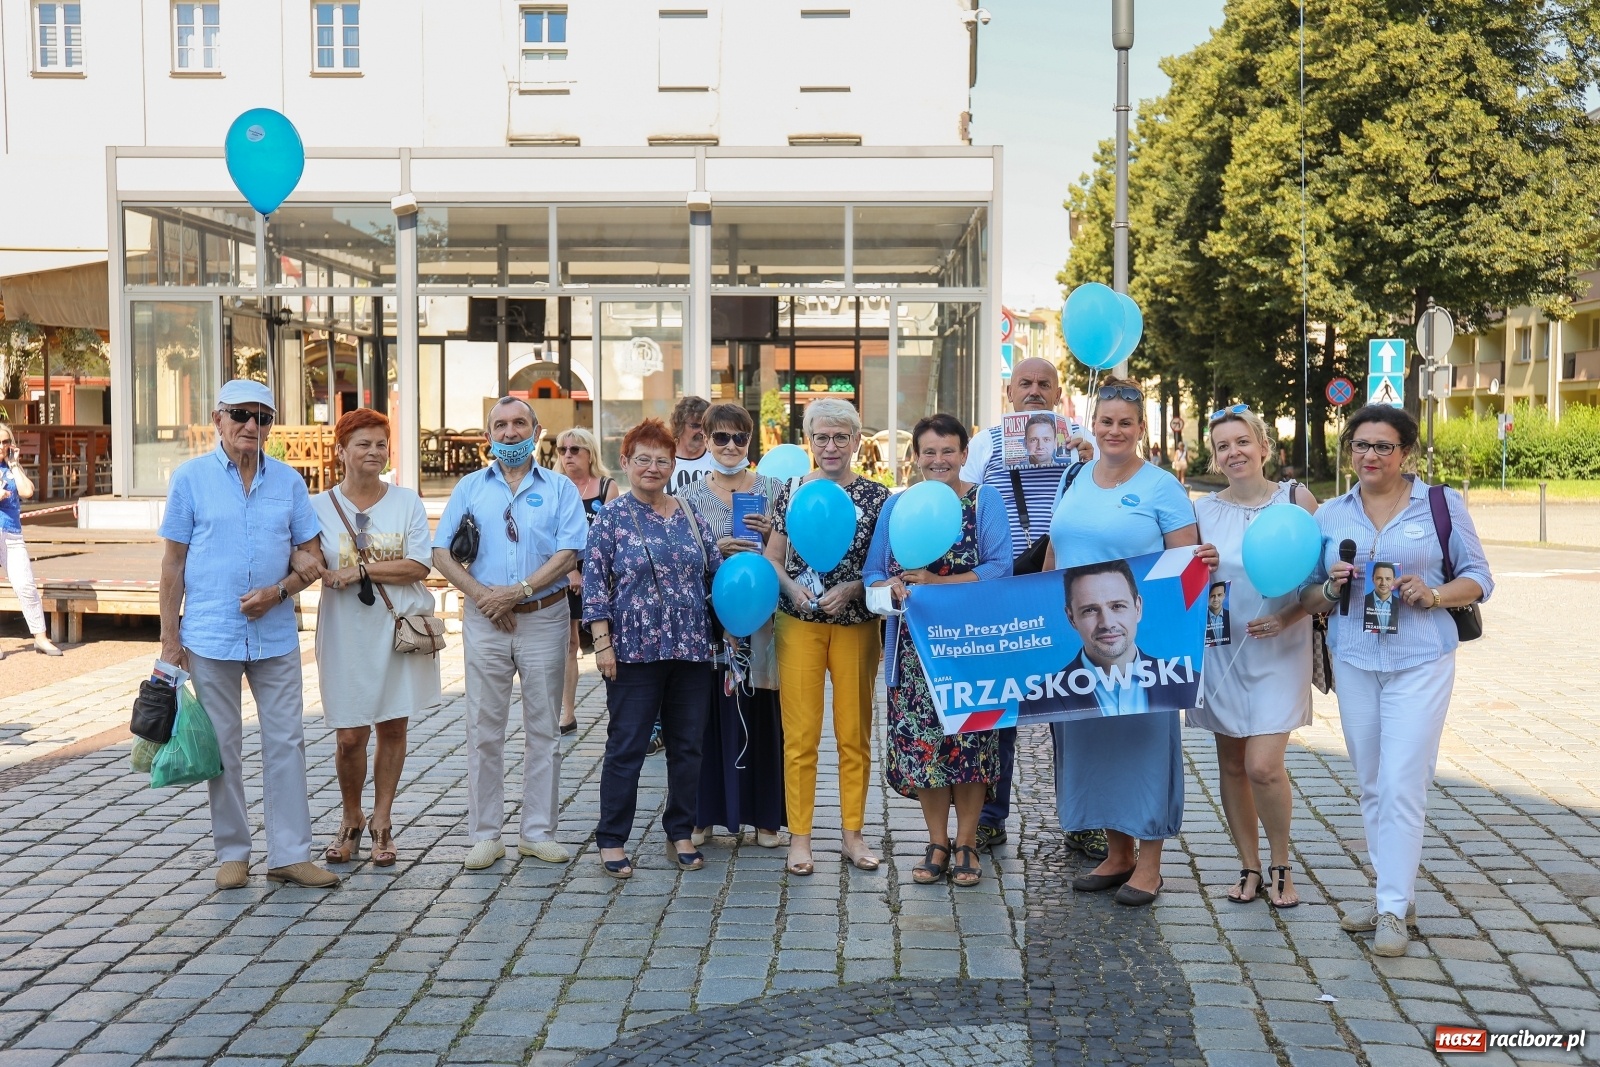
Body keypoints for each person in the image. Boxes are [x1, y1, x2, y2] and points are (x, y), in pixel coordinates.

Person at [1298, 404, 1492, 956]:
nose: (1370, 456)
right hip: (1355, 658)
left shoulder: (1439, 505)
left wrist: (1432, 594)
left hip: (1421, 658)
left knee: (1404, 781)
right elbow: (1308, 594)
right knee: (1371, 781)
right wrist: (1333, 588)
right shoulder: (1331, 516)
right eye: (1361, 445)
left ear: (1406, 452)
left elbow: (1479, 578)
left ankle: (1389, 912)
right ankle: (1395, 893)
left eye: (1383, 446)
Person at [157, 379, 335, 890]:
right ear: (218, 419)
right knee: (224, 747)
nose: (252, 426)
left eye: (263, 417)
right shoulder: (190, 479)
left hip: (276, 633)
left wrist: (279, 591)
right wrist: (171, 642)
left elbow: (312, 556)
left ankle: (290, 854)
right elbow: (173, 564)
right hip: (210, 634)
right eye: (241, 414)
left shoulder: (289, 483)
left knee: (287, 741)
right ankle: (232, 851)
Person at [1042, 378, 1207, 907]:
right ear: (1094, 423)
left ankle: (1151, 866)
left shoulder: (1162, 487)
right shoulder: (1074, 475)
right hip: (1081, 644)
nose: (1114, 431)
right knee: (1091, 746)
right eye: (1106, 421)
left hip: (1142, 647)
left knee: (1143, 749)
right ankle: (1117, 854)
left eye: (1125, 423)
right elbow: (1054, 553)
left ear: (1140, 429)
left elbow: (1186, 570)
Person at [432, 397, 587, 871]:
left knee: (544, 728)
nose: (511, 432)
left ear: (537, 431)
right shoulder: (469, 488)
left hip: (543, 616)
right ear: (488, 438)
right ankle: (486, 835)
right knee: (483, 729)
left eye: (520, 423)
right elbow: (440, 553)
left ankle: (537, 832)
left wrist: (516, 592)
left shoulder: (560, 488)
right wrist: (484, 597)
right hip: (485, 619)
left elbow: (569, 553)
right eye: (500, 425)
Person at [957, 357, 1100, 860]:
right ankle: (991, 817)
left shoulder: (1086, 439)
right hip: (1005, 589)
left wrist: (1088, 459)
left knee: (1075, 706)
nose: (1035, 391)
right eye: (1025, 384)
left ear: (1059, 394)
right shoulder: (986, 443)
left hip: (1066, 589)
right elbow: (962, 499)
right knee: (999, 708)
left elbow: (1112, 496)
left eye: (1045, 384)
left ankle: (1085, 819)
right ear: (1010, 393)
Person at [864, 414, 1010, 887]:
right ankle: (937, 842)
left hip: (973, 648)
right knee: (927, 748)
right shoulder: (899, 506)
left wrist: (939, 582)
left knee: (971, 744)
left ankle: (968, 842)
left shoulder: (985, 500)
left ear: (964, 454)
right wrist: (891, 590)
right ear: (917, 457)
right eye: (929, 451)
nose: (939, 459)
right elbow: (872, 576)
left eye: (948, 450)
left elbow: (1000, 569)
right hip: (913, 649)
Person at [299, 409, 441, 869]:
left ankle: (381, 822)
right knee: (349, 735)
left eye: (381, 444)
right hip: (344, 634)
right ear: (341, 451)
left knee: (393, 727)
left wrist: (360, 569)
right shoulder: (318, 507)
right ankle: (350, 816)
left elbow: (419, 565)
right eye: (363, 444)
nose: (374, 452)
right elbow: (307, 558)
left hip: (394, 628)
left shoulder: (406, 502)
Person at [584, 418, 724, 879]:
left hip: (691, 647)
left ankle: (679, 832)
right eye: (642, 459)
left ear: (672, 464)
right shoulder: (611, 519)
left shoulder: (688, 512)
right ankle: (612, 838)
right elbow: (595, 587)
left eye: (662, 460)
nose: (652, 467)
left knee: (688, 746)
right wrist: (603, 645)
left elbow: (715, 574)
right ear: (625, 463)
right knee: (626, 746)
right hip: (633, 650)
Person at [1191, 405, 1318, 909]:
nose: (1234, 452)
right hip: (1222, 650)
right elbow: (1179, 579)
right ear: (1215, 457)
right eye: (1223, 445)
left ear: (1264, 447)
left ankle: (1282, 863)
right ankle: (1248, 865)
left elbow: (1324, 583)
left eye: (1243, 441)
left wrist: (1286, 619)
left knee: (1264, 765)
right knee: (1232, 766)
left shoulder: (1296, 500)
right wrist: (1200, 567)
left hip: (1280, 648)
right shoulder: (1201, 511)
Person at [763, 398, 890, 877]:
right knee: (799, 736)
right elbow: (773, 556)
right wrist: (792, 588)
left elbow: (884, 568)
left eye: (841, 437)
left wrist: (854, 586)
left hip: (856, 626)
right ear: (809, 441)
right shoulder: (791, 491)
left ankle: (853, 835)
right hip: (799, 624)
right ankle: (800, 838)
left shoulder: (878, 498)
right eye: (821, 437)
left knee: (854, 735)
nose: (831, 446)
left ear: (857, 442)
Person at [678, 403, 786, 848]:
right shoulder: (687, 493)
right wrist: (713, 547)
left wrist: (770, 537)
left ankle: (764, 817)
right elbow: (682, 560)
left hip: (762, 616)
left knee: (761, 710)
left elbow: (791, 555)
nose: (729, 446)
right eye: (719, 437)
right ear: (704, 438)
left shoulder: (774, 488)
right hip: (708, 617)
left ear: (750, 440)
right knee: (705, 714)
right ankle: (703, 813)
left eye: (738, 437)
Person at [1031, 560, 1195, 718]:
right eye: (1090, 610)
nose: (1107, 623)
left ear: (1138, 608)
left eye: (1117, 606)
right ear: (1071, 618)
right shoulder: (1038, 698)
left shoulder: (1187, 681)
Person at [555, 426, 619, 735]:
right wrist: (570, 571)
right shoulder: (554, 488)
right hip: (563, 576)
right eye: (562, 450)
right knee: (568, 644)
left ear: (590, 453)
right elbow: (551, 537)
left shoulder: (607, 487)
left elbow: (612, 540)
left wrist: (590, 573)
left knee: (609, 643)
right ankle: (567, 713)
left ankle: (619, 713)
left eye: (574, 449)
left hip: (601, 578)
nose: (567, 455)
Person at [0, 425, 63, 658]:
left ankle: (40, 637)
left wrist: (14, 464)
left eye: (6, 441)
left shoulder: (12, 467)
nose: (2, 446)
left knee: (26, 585)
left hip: (12, 533)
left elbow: (27, 491)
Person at [667, 395, 716, 496]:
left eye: (706, 426)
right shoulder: (662, 461)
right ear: (679, 425)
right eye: (696, 426)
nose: (702, 432)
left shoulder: (718, 462)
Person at [1364, 563, 1399, 635]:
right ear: (1373, 579)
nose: (1383, 583)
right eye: (1379, 578)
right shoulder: (1364, 601)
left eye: (1388, 579)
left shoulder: (1400, 603)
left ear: (1394, 580)